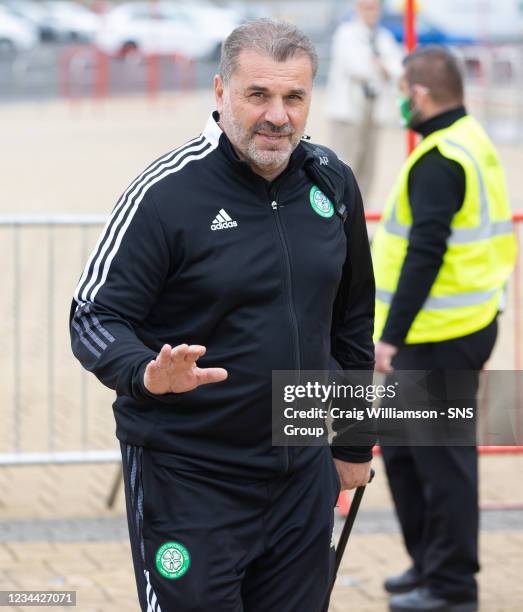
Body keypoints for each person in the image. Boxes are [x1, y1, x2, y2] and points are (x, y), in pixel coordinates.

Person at [70, 19, 376, 612]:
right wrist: (144, 373)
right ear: (219, 92)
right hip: (190, 478)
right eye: (257, 95)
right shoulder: (165, 195)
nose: (278, 116)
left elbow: (352, 322)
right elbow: (91, 314)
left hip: (302, 475)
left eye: (294, 97)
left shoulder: (332, 180)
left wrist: (354, 444)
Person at [372, 46, 517, 612]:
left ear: (421, 94)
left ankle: (452, 589)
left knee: (442, 461)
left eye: (404, 90)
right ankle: (428, 565)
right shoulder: (468, 141)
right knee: (407, 453)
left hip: (438, 335)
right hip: (458, 326)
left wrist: (392, 335)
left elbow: (424, 254)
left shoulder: (441, 159)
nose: (401, 100)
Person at [325, 0, 403, 202]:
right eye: (367, 7)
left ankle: (361, 211)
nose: (372, 12)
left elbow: (397, 67)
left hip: (373, 109)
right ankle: (340, 210)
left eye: (375, 7)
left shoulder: (383, 37)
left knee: (368, 166)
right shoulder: (346, 34)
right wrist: (381, 66)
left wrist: (380, 65)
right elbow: (357, 67)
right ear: (358, 9)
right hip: (348, 112)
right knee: (344, 163)